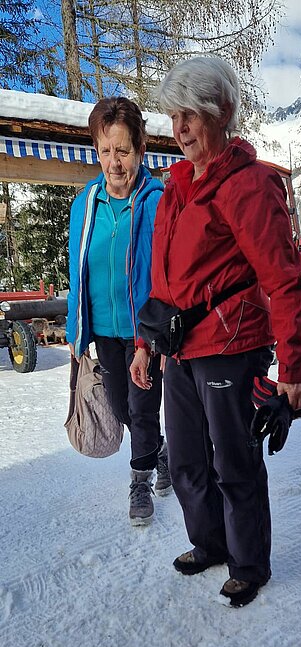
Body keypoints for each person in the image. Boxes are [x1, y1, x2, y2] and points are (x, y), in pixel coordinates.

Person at [130, 56, 301, 605]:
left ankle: (249, 564)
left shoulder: (250, 186)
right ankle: (208, 543)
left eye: (192, 115)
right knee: (186, 460)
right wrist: (144, 344)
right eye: (174, 116)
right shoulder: (176, 187)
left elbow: (284, 278)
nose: (180, 128)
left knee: (234, 462)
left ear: (222, 114)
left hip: (232, 348)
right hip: (179, 350)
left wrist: (295, 367)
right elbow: (161, 277)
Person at [66, 96, 171, 526]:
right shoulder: (85, 205)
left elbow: (169, 273)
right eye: (105, 150)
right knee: (121, 406)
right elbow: (77, 269)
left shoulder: (157, 200)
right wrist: (76, 330)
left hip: (144, 330)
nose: (114, 162)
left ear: (140, 151)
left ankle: (140, 480)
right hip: (105, 331)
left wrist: (163, 335)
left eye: (122, 151)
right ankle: (159, 450)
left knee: (143, 408)